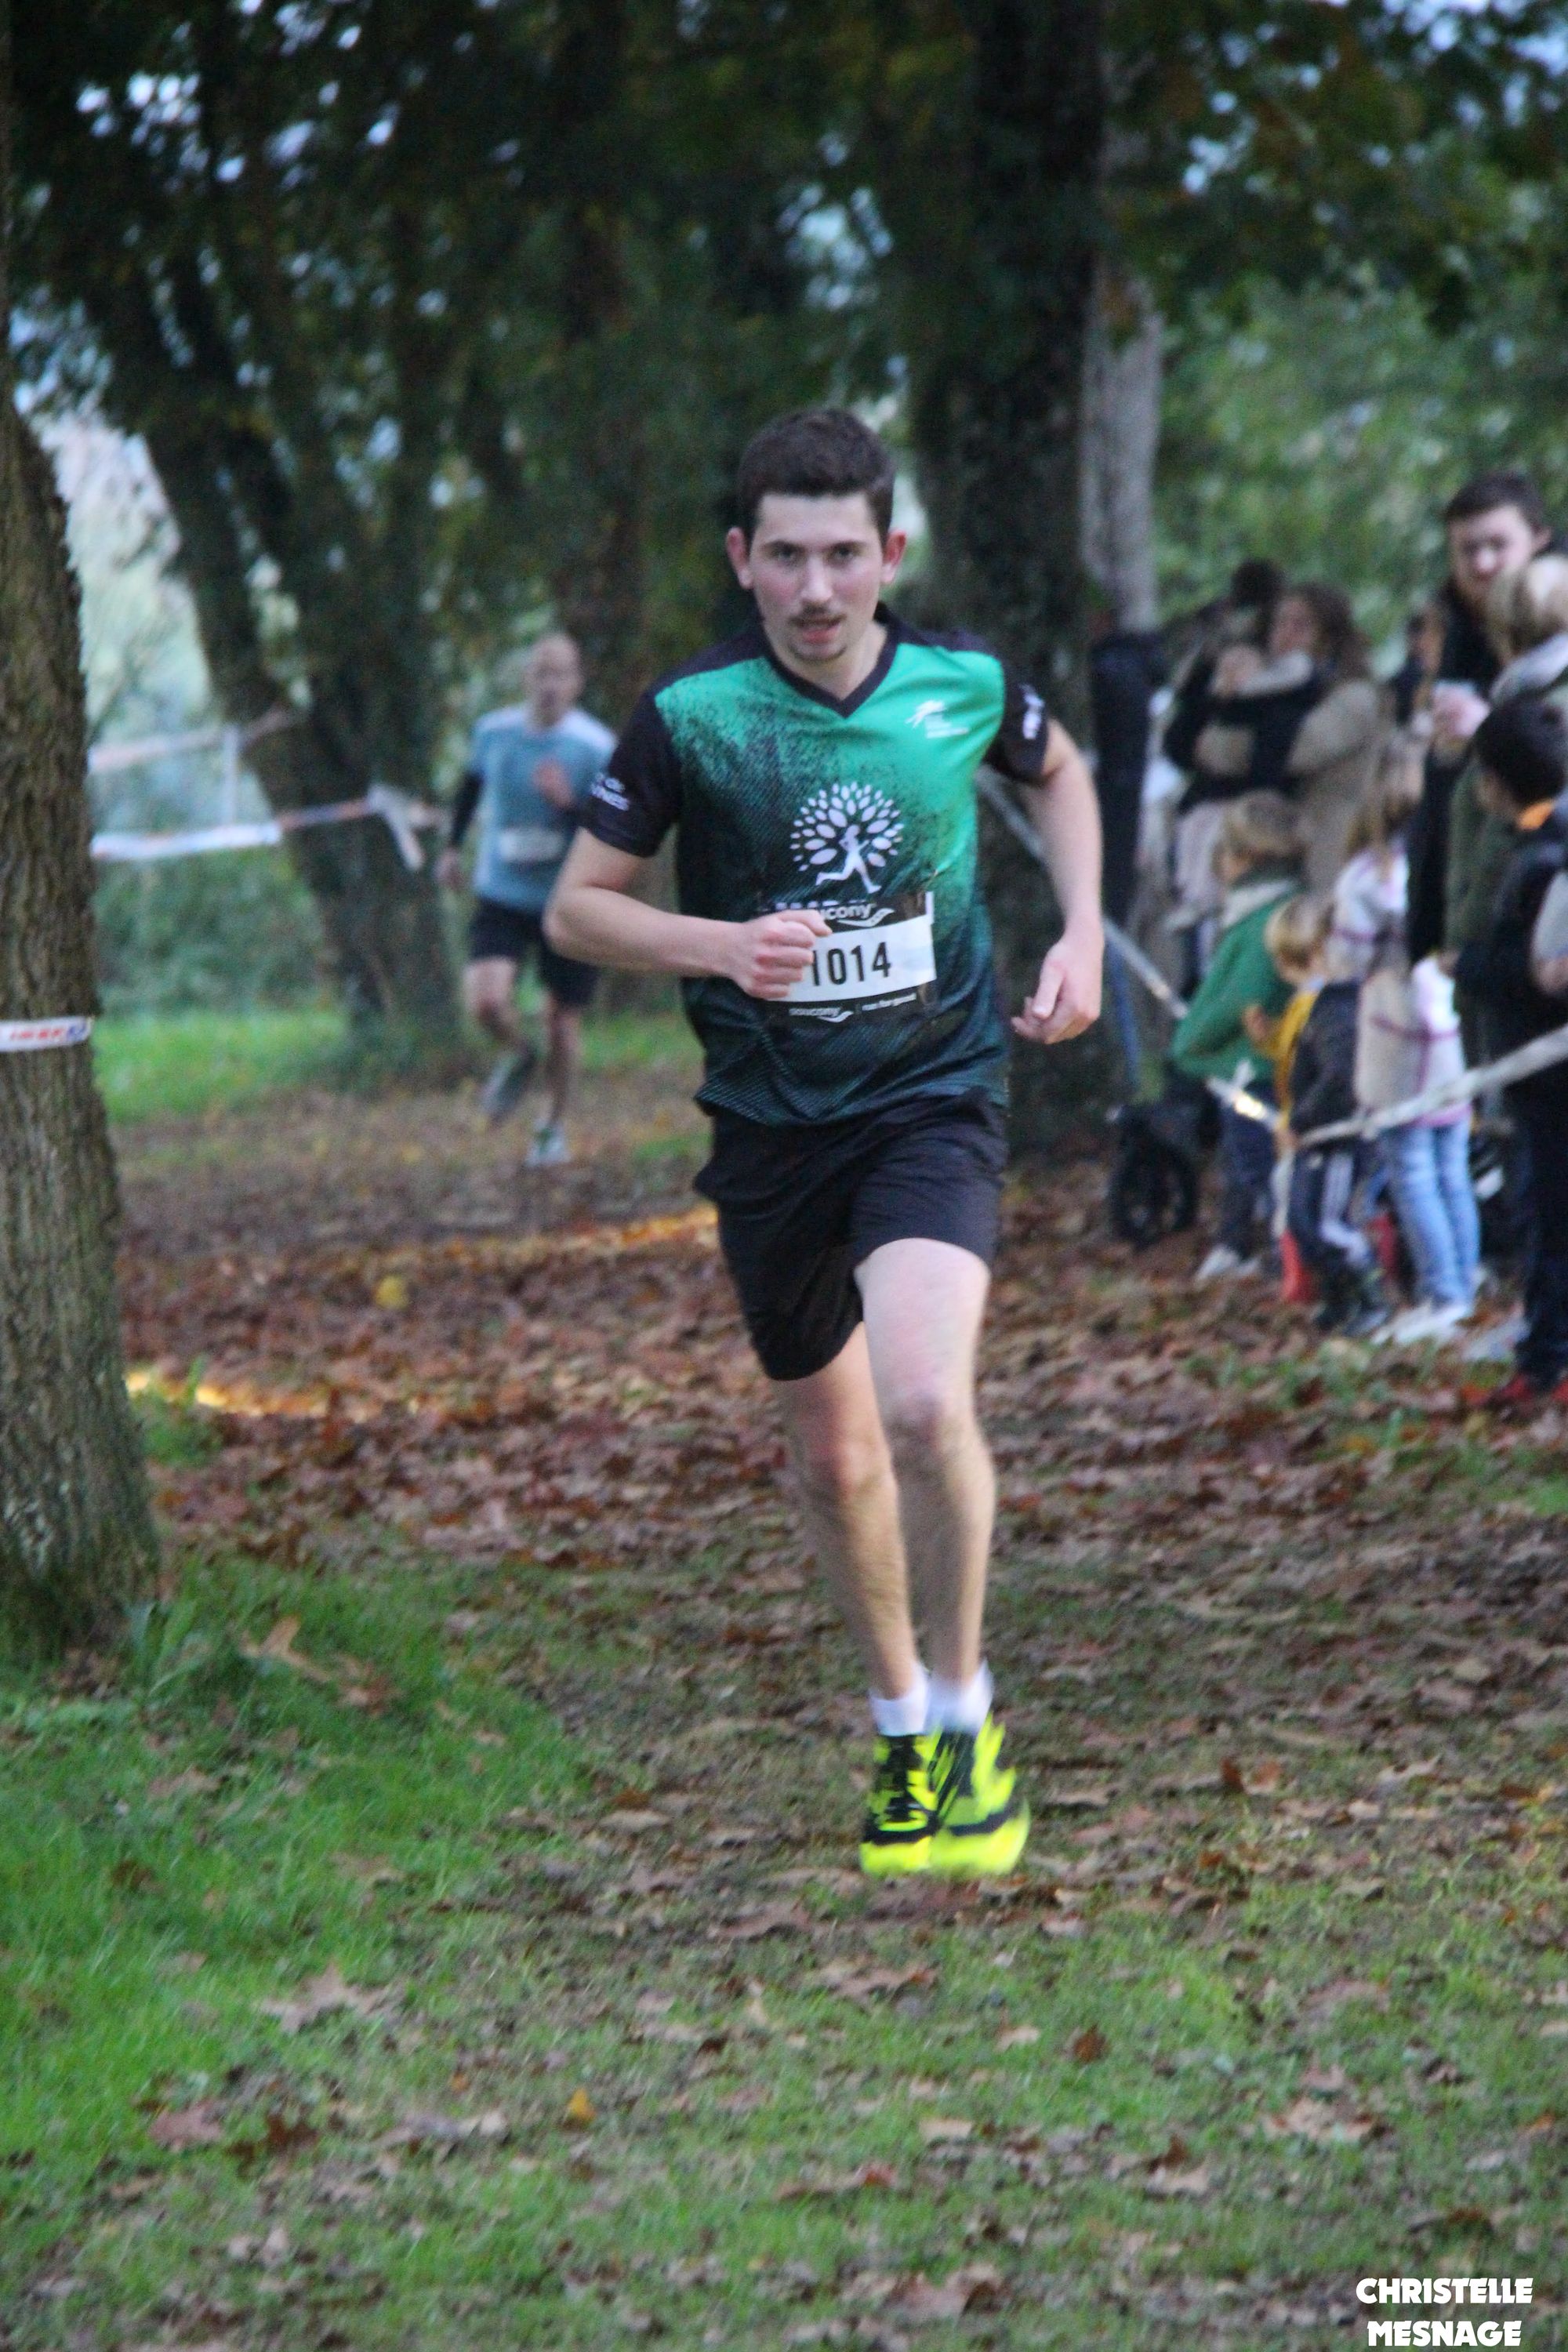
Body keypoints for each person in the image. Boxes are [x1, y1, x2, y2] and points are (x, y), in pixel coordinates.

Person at [546, 408, 1103, 1878]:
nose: (815, 588)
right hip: (770, 1127)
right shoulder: (693, 718)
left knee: (921, 1404)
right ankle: (903, 1725)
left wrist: (1086, 934)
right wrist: (722, 945)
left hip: (932, 1095)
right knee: (837, 1453)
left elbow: (1060, 771)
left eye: (843, 556)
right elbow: (576, 908)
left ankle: (969, 1720)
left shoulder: (959, 684)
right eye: (786, 557)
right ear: (742, 558)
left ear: (889, 553)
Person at [441, 633, 614, 1165]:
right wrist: (451, 849)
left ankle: (550, 1129)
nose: (549, 685)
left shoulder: (595, 747)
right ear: (526, 680)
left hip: (567, 900)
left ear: (576, 683)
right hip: (503, 892)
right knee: (486, 1002)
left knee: (560, 1020)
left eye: (560, 674)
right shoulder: (493, 733)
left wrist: (568, 804)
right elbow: (469, 789)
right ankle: (519, 1053)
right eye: (540, 673)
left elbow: (614, 828)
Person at [1451, 699, 1568, 1407]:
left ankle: (1549, 1361)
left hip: (1545, 1070)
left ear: (1493, 781)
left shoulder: (1538, 860)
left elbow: (1531, 973)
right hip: (1536, 1066)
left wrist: (1464, 965)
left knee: (1548, 1216)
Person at [1406, 470, 1553, 962]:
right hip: (1459, 878)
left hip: (1533, 900)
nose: (1483, 564)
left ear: (1539, 539)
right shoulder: (1456, 628)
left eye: (1498, 545)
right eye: (1468, 549)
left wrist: (1489, 731)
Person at [1169, 792, 1303, 1280]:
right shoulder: (1263, 913)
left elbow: (1241, 998)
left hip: (1257, 1069)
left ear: (1245, 858)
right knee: (1239, 1158)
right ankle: (1235, 1242)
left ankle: (1286, 1254)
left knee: (1258, 1164)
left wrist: (1191, 1040)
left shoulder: (1265, 920)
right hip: (1247, 1067)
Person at [1284, 921, 1389, 1339]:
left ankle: (1371, 1299)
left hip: (1339, 1138)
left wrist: (1302, 1118)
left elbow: (1339, 1077)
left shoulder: (1341, 1010)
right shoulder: (1327, 1005)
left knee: (1331, 1224)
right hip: (1317, 1137)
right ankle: (1337, 1297)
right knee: (1303, 1219)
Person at [1277, 583, 1386, 892]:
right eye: (1280, 623)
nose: (1285, 635)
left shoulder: (1355, 696)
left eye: (1300, 625)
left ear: (1328, 636)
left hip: (1331, 846)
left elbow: (1296, 751)